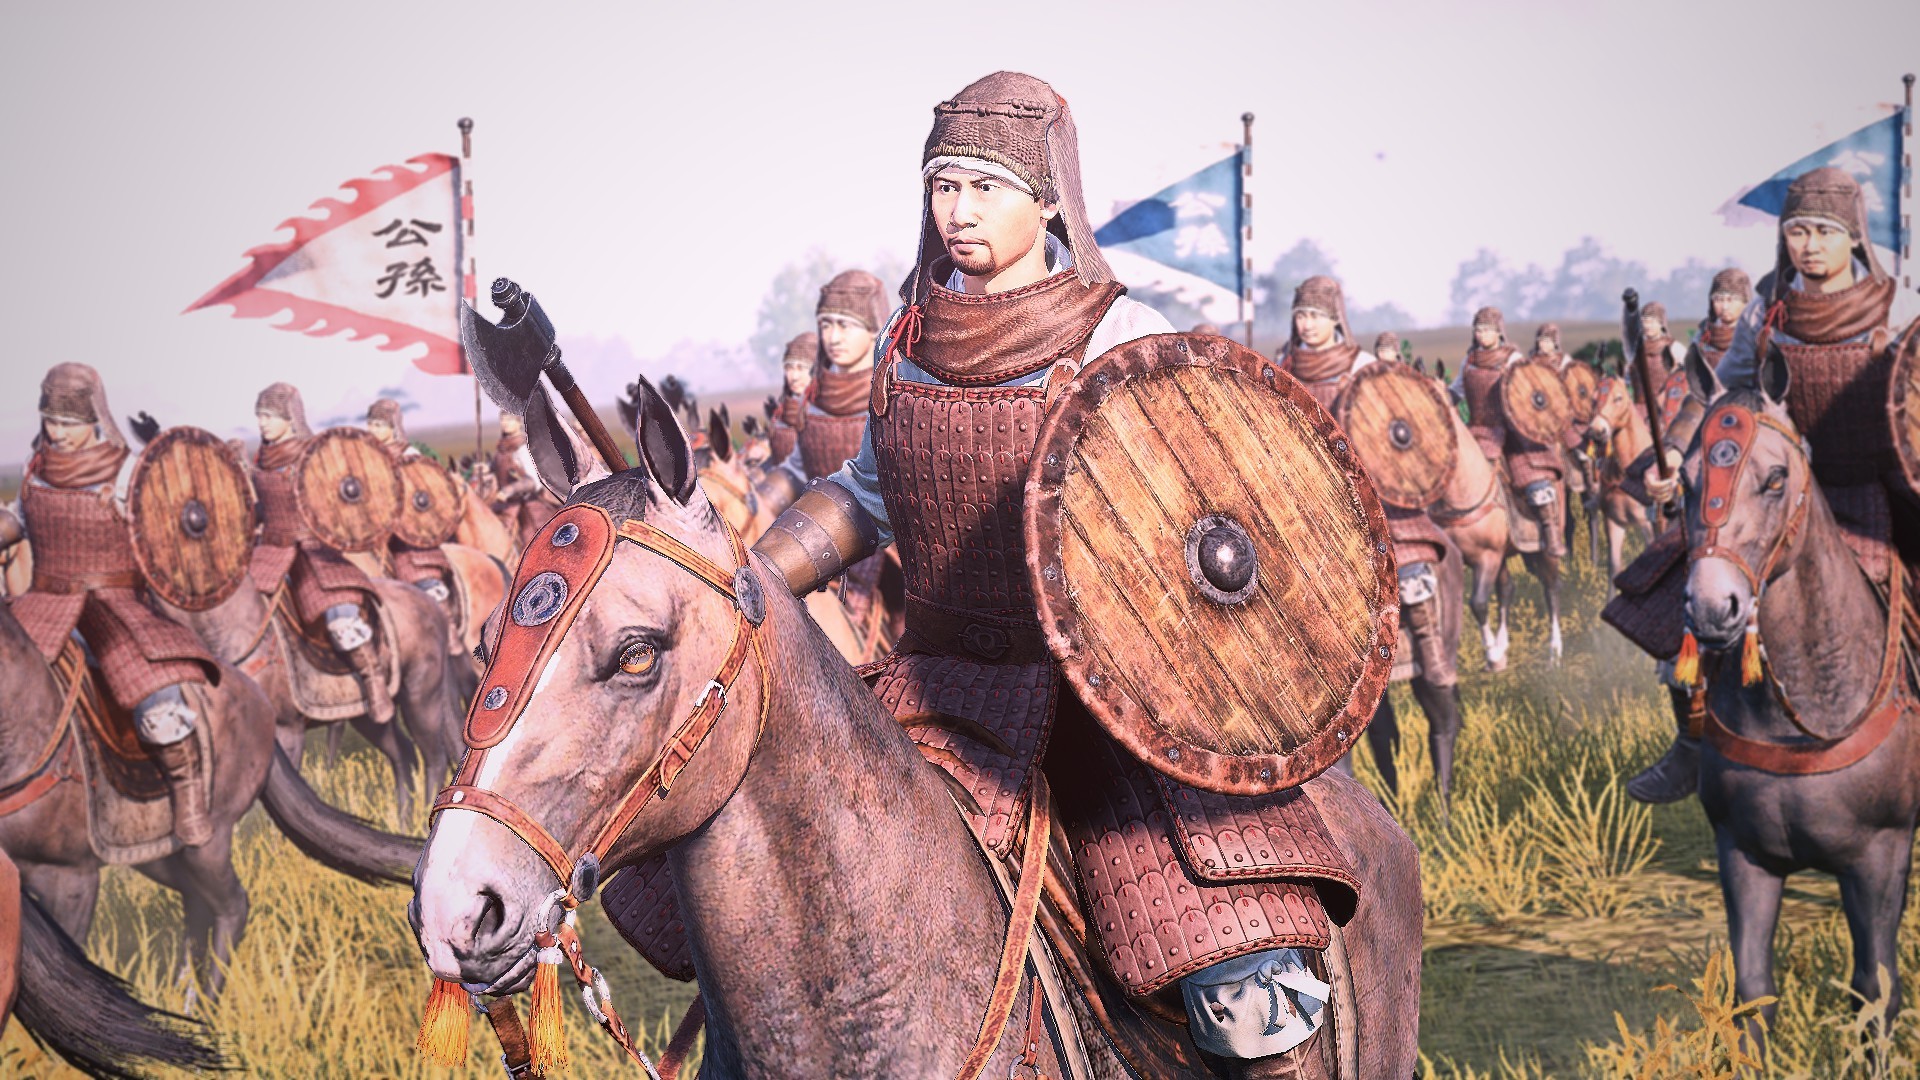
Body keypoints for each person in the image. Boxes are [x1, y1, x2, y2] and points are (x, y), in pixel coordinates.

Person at [750, 70, 1352, 1071]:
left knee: (1237, 981)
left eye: (984, 187)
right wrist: (752, 579)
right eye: (944, 186)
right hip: (937, 690)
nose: (959, 210)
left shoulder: (1113, 333)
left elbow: (1187, 509)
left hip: (1097, 704)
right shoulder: (906, 343)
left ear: (1046, 201)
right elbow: (866, 492)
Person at [1627, 169, 1920, 802]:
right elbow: (1724, 394)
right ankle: (1693, 743)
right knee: (1689, 589)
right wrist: (1674, 451)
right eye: (1797, 231)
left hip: (1874, 491)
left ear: (1854, 236)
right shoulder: (1768, 309)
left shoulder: (1895, 306)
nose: (1809, 245)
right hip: (1774, 493)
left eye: (1824, 232)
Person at [0, 365, 219, 845]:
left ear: (93, 418)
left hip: (113, 603)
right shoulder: (37, 468)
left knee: (152, 692)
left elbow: (169, 529)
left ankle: (186, 790)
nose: (58, 432)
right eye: (51, 421)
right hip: (44, 599)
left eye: (68, 423)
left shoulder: (127, 472)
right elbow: (19, 522)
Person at [249, 383, 395, 726]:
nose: (262, 423)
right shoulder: (261, 462)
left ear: (290, 418)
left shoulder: (314, 455)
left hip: (313, 552)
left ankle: (372, 677)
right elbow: (263, 509)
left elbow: (337, 501)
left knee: (339, 614)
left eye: (269, 416)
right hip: (270, 550)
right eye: (259, 416)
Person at [771, 272, 899, 637]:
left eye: (845, 324)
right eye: (826, 324)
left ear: (873, 329)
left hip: (889, 550)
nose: (833, 336)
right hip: (819, 533)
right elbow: (795, 469)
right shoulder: (811, 403)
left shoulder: (895, 387)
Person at [1455, 306, 1571, 559]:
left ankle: (1550, 533)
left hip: (1511, 433)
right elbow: (1457, 391)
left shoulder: (1512, 359)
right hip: (1478, 430)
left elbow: (1527, 390)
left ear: (1498, 331)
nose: (1481, 334)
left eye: (1487, 329)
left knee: (1533, 475)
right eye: (1478, 329)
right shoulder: (1470, 361)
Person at [367, 398, 456, 611]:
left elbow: (424, 494)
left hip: (407, 529)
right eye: (370, 424)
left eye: (378, 425)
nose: (372, 430)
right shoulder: (367, 457)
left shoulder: (409, 455)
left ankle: (441, 611)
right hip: (374, 526)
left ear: (392, 427)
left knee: (416, 569)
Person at [1276, 275, 1374, 412]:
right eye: (1301, 316)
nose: (1307, 325)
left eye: (1315, 316)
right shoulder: (1285, 364)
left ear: (1335, 318)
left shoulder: (1362, 366)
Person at [488, 411, 561, 548]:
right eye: (502, 420)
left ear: (518, 422)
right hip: (506, 504)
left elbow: (533, 482)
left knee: (534, 540)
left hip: (528, 502)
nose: (504, 423)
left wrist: (509, 490)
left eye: (509, 420)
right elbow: (496, 470)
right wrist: (484, 470)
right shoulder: (502, 448)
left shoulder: (523, 448)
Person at [767, 332, 817, 466]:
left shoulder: (826, 415)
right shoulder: (780, 413)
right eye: (789, 368)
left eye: (801, 368)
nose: (794, 377)